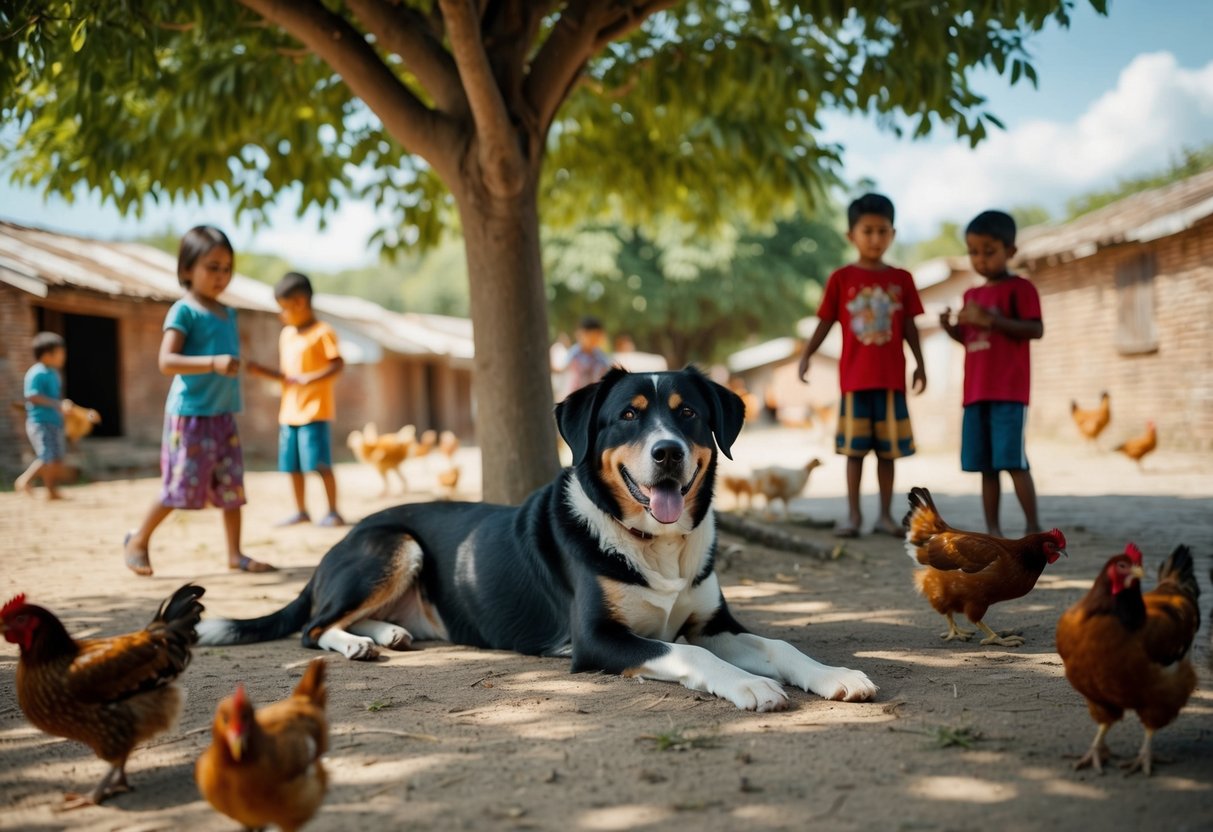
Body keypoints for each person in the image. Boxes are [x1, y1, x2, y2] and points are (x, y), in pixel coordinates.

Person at [123, 225, 277, 576]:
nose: (221, 276)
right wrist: (212, 363)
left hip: (223, 416)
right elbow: (166, 362)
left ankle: (235, 555)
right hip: (191, 416)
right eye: (212, 267)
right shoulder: (183, 311)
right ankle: (138, 540)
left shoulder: (230, 314)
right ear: (187, 269)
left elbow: (233, 359)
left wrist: (261, 371)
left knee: (232, 488)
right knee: (179, 487)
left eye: (227, 268)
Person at [797, 193, 926, 537]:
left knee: (888, 454)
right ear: (850, 235)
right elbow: (825, 321)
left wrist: (920, 365)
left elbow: (911, 326)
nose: (875, 238)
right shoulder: (841, 278)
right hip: (854, 382)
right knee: (854, 454)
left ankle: (885, 516)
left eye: (882, 231)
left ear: (893, 234)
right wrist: (807, 354)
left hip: (891, 382)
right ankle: (853, 516)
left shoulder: (902, 279)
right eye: (867, 231)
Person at [940, 210, 1044, 536]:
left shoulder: (1021, 289)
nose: (980, 259)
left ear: (1010, 251)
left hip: (1008, 392)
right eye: (973, 252)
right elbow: (970, 340)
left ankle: (1032, 527)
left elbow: (1035, 329)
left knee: (1012, 461)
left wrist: (992, 320)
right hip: (975, 393)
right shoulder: (971, 295)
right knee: (986, 467)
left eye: (989, 251)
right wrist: (950, 329)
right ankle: (993, 532)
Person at [271, 272, 345, 527]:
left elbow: (337, 364)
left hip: (314, 411)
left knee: (320, 463)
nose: (282, 315)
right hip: (289, 412)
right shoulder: (287, 335)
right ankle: (301, 511)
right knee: (292, 466)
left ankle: (333, 510)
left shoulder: (323, 332)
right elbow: (287, 375)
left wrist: (310, 379)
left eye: (285, 308)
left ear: (301, 302)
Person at [15, 332, 69, 499]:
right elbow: (32, 395)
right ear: (47, 354)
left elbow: (54, 398)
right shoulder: (36, 373)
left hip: (54, 421)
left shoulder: (54, 374)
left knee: (56, 459)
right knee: (47, 456)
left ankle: (51, 490)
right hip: (40, 422)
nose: (63, 356)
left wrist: (62, 409)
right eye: (60, 353)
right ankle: (25, 480)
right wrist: (57, 405)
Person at [562, 316, 611, 397]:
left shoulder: (600, 357)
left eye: (596, 337)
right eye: (590, 337)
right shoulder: (574, 354)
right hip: (574, 396)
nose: (593, 341)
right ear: (580, 334)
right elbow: (563, 369)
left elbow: (606, 372)